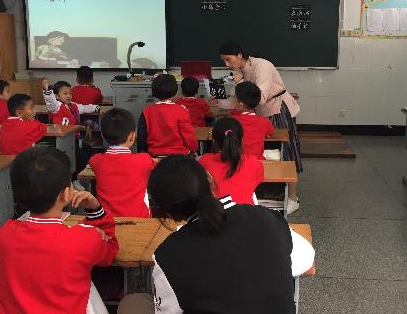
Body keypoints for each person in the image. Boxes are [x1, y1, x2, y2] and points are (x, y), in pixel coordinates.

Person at [118, 155, 314, 314]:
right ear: (210, 180)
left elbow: (170, 311)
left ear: (168, 213)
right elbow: (306, 258)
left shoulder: (167, 255)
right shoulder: (266, 218)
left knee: (132, 303)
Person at [0, 146, 118, 314]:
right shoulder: (85, 238)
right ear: (66, 194)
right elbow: (110, 251)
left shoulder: (5, 234)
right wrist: (95, 209)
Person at [218, 41, 301, 214]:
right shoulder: (240, 72)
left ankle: (292, 198)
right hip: (261, 115)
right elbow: (237, 99)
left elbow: (259, 98)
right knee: (262, 151)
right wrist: (217, 103)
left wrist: (240, 83)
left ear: (239, 55)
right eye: (224, 61)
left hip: (277, 109)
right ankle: (269, 193)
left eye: (228, 59)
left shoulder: (262, 66)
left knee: (287, 154)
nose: (226, 65)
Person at [89, 108, 155, 217]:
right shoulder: (144, 160)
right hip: (139, 218)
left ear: (102, 136)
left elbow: (94, 161)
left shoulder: (96, 161)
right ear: (132, 136)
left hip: (107, 219)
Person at [199, 117, 264, 205]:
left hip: (216, 211)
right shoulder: (254, 163)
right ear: (242, 140)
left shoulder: (204, 161)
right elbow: (254, 183)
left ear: (213, 140)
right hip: (245, 212)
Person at [42, 78, 100, 174]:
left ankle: (88, 174)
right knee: (82, 158)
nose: (68, 96)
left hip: (75, 139)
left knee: (90, 151)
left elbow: (84, 108)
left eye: (70, 93)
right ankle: (76, 177)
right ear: (56, 96)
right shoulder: (56, 107)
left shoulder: (73, 106)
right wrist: (47, 91)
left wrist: (95, 107)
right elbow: (50, 102)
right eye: (65, 93)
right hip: (63, 141)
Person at [137, 74, 198, 156]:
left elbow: (141, 138)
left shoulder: (146, 111)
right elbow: (189, 137)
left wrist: (144, 155)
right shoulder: (182, 110)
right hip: (179, 157)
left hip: (155, 156)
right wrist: (193, 149)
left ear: (153, 91)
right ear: (176, 92)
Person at [229, 81, 275, 159]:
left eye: (235, 99)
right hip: (256, 162)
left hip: (236, 161)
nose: (233, 101)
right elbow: (270, 133)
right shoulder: (264, 121)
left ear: (241, 104)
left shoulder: (232, 120)